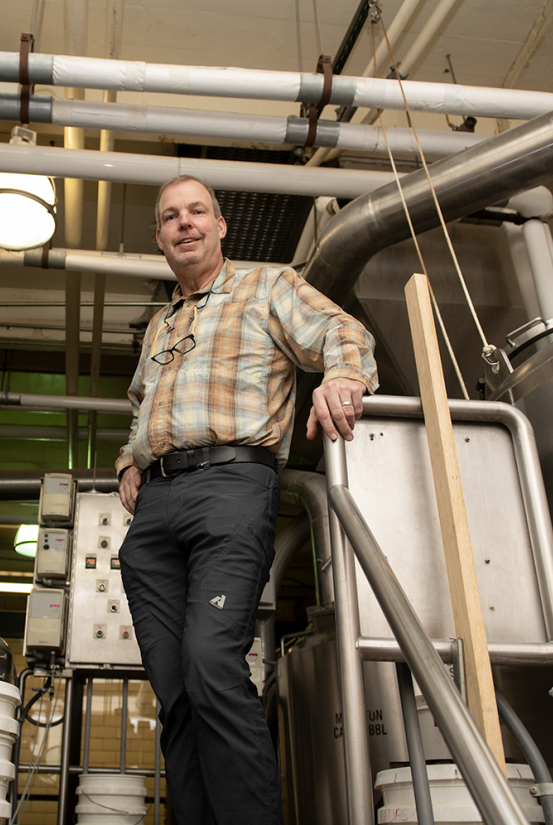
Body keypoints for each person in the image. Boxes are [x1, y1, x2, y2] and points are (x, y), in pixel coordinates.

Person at [115, 175, 378, 825]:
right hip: (156, 507)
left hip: (232, 485)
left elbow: (340, 330)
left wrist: (342, 376)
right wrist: (129, 459)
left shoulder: (267, 287)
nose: (184, 223)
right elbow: (138, 406)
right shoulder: (159, 325)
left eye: (196, 211)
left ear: (221, 225)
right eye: (171, 216)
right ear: (159, 236)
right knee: (174, 690)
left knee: (210, 663)